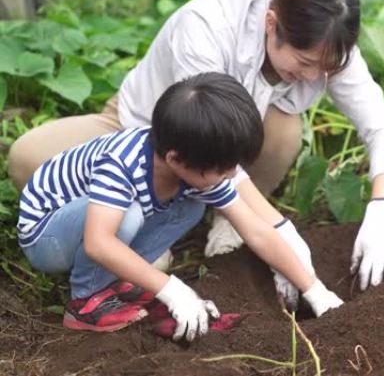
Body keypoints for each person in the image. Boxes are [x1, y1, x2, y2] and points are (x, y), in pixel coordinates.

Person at [9, 0, 384, 310]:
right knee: (28, 158)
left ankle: (222, 217)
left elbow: (382, 129)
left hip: (223, 152)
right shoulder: (207, 24)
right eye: (305, 63)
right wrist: (279, 227)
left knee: (284, 134)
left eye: (324, 70)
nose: (312, 77)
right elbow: (203, 140)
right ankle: (138, 236)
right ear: (272, 23)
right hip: (146, 131)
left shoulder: (328, 47)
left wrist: (382, 210)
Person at [17, 73, 343, 340]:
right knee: (126, 218)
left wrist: (314, 290)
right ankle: (85, 302)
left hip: (95, 228)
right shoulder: (121, 164)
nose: (230, 176)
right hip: (46, 234)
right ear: (176, 158)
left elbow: (255, 229)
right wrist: (173, 290)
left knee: (190, 208)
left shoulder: (193, 164)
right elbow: (98, 242)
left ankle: (113, 283)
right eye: (222, 168)